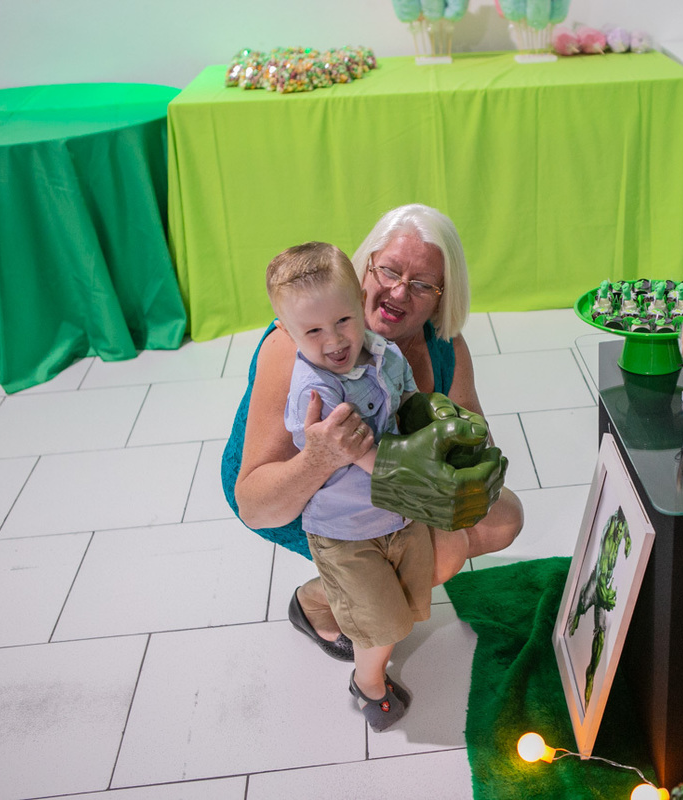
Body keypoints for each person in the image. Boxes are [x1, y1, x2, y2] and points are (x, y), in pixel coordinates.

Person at [222, 204, 524, 664]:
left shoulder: (445, 346)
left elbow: (478, 448)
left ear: (442, 297)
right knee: (443, 551)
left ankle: (363, 592)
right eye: (389, 270)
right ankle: (319, 601)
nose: (399, 291)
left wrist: (453, 442)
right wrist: (320, 456)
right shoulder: (298, 344)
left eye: (422, 284)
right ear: (365, 267)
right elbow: (256, 506)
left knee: (502, 518)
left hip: (385, 485)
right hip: (304, 498)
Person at [266, 241, 429, 730]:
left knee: (406, 599)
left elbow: (408, 399)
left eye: (342, 320)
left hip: (398, 514)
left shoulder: (384, 352)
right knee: (380, 623)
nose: (334, 340)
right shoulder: (316, 391)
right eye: (312, 331)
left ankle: (330, 605)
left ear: (361, 302)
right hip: (347, 529)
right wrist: (408, 473)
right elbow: (354, 452)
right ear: (286, 331)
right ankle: (368, 684)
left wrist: (432, 423)